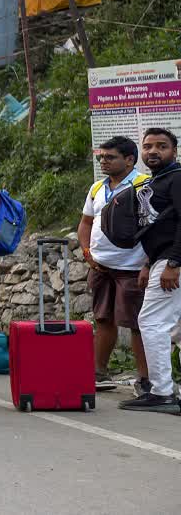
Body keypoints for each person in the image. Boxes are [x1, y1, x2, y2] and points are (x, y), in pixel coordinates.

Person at [78, 136, 149, 393]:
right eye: (101, 157)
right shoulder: (97, 188)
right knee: (103, 318)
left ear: (130, 160)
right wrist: (87, 252)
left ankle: (145, 379)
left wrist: (149, 264)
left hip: (132, 268)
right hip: (100, 267)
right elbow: (86, 223)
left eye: (110, 157)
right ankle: (99, 373)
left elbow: (156, 228)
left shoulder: (144, 186)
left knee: (138, 324)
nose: (103, 161)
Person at [120, 129, 181, 412]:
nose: (153, 151)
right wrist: (148, 263)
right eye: (148, 146)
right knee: (175, 327)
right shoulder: (157, 181)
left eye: (162, 146)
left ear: (174, 151)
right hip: (161, 260)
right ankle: (166, 390)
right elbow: (158, 226)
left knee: (152, 323)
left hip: (173, 261)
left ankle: (162, 392)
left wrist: (173, 263)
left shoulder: (177, 177)